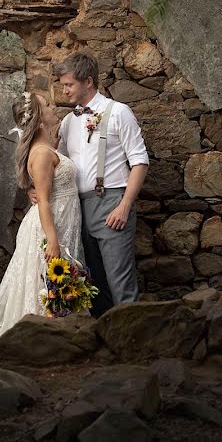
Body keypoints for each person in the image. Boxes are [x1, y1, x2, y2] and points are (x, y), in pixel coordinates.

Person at [54, 51, 149, 317]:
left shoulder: (119, 112)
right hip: (78, 208)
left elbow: (140, 161)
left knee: (121, 283)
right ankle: (106, 344)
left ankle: (134, 343)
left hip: (111, 203)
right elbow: (56, 163)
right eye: (63, 85)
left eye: (69, 84)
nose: (64, 90)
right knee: (93, 285)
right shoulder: (67, 122)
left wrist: (124, 206)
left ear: (88, 82)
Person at [0, 91, 84, 341]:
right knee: (45, 281)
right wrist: (52, 240)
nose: (53, 106)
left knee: (57, 282)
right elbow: (44, 200)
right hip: (50, 225)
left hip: (63, 220)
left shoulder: (47, 148)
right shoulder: (40, 154)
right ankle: (41, 336)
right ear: (39, 120)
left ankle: (59, 332)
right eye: (47, 105)